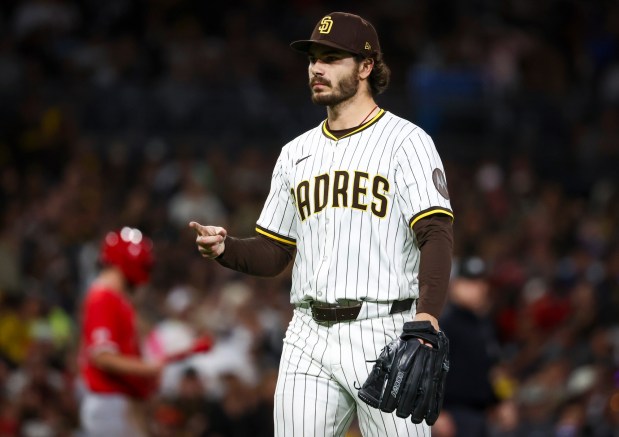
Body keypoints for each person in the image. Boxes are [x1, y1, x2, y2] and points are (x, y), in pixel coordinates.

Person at [190, 11, 454, 436]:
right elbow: (276, 252)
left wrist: (427, 317)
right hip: (308, 335)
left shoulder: (408, 142)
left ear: (366, 67)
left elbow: (436, 234)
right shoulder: (296, 153)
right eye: (314, 57)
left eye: (332, 58)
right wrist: (227, 249)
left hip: (385, 330)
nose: (316, 68)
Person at [77, 227, 162, 437]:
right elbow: (102, 357)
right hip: (107, 402)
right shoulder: (102, 297)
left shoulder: (116, 298)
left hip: (117, 402)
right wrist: (147, 368)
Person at [438, 256, 501, 437]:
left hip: (481, 414)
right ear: (455, 285)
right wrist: (436, 413)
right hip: (452, 415)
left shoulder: (484, 325)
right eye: (470, 282)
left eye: (481, 282)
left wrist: (502, 400)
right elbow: (430, 371)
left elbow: (494, 369)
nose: (478, 288)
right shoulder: (445, 325)